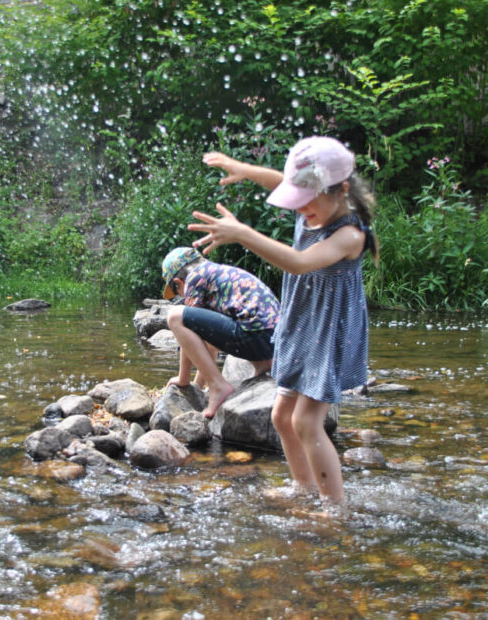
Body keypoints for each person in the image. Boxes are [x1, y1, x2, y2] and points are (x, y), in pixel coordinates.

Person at [191, 136, 378, 503]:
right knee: (281, 417)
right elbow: (281, 181)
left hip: (327, 333)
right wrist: (246, 171)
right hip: (302, 325)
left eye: (307, 199)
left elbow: (298, 262)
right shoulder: (317, 205)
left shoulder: (349, 235)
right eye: (298, 199)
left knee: (306, 422)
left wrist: (243, 234)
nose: (301, 206)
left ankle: (336, 510)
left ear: (341, 190)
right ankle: (303, 488)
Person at [161, 246, 280, 418]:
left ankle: (218, 385)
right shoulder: (217, 273)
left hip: (254, 336)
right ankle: (259, 370)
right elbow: (207, 341)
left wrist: (183, 379)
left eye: (177, 292)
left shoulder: (195, 277)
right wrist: (197, 388)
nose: (181, 296)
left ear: (179, 282)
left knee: (174, 316)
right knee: (233, 324)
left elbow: (188, 326)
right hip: (272, 343)